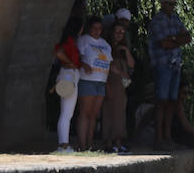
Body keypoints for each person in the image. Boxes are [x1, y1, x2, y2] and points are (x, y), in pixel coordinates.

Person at [148, 0, 191, 150]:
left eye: (174, 4)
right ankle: (158, 139)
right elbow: (163, 44)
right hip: (162, 65)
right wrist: (177, 40)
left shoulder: (175, 19)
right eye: (170, 4)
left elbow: (188, 37)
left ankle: (167, 137)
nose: (173, 7)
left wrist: (173, 39)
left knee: (172, 102)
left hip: (175, 65)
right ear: (163, 4)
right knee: (161, 101)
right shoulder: (157, 21)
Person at [73, 16, 111, 151]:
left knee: (94, 115)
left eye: (100, 28)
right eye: (94, 28)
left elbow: (109, 62)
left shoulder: (106, 44)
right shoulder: (83, 40)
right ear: (89, 27)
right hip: (87, 80)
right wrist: (84, 64)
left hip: (101, 81)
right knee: (85, 113)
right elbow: (77, 57)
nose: (97, 31)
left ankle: (89, 145)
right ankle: (81, 145)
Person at [103, 17, 135, 154]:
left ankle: (119, 141)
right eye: (117, 31)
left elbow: (132, 65)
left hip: (121, 86)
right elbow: (107, 67)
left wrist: (126, 51)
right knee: (108, 113)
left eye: (122, 32)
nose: (119, 35)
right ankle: (108, 142)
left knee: (120, 114)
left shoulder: (123, 49)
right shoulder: (106, 47)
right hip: (109, 82)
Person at [52, 16, 82, 152]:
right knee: (66, 113)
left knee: (65, 113)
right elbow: (59, 53)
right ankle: (63, 145)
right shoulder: (70, 42)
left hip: (67, 74)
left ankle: (63, 144)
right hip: (69, 74)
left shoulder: (66, 40)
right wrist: (69, 62)